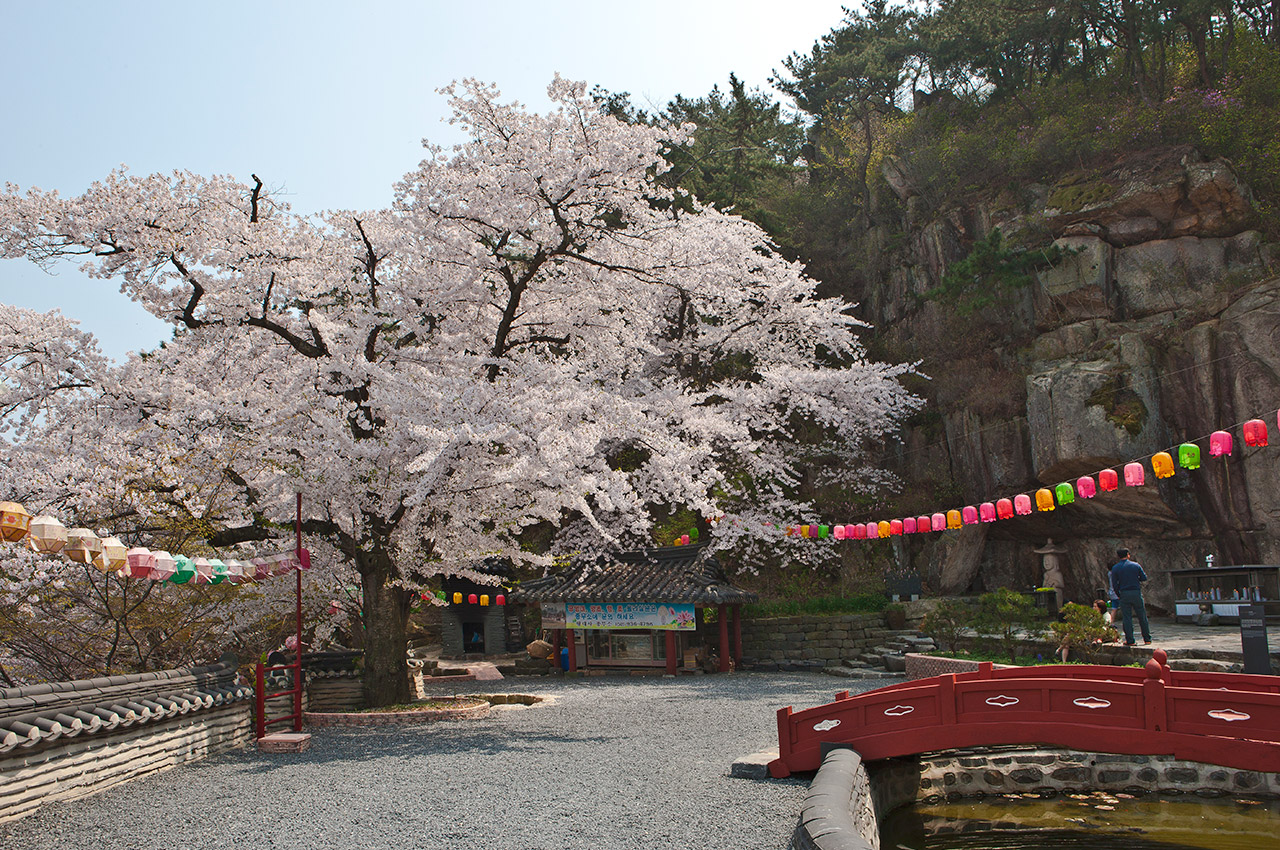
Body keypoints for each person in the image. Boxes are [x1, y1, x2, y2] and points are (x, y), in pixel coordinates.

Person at [1110, 547, 1152, 646]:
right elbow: (1143, 577)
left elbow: (1114, 584)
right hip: (1136, 592)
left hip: (1124, 593)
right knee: (1142, 616)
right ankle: (1147, 638)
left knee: (1127, 617)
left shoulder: (1115, 568)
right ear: (1128, 554)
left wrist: (1119, 594)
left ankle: (1130, 640)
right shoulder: (1135, 565)